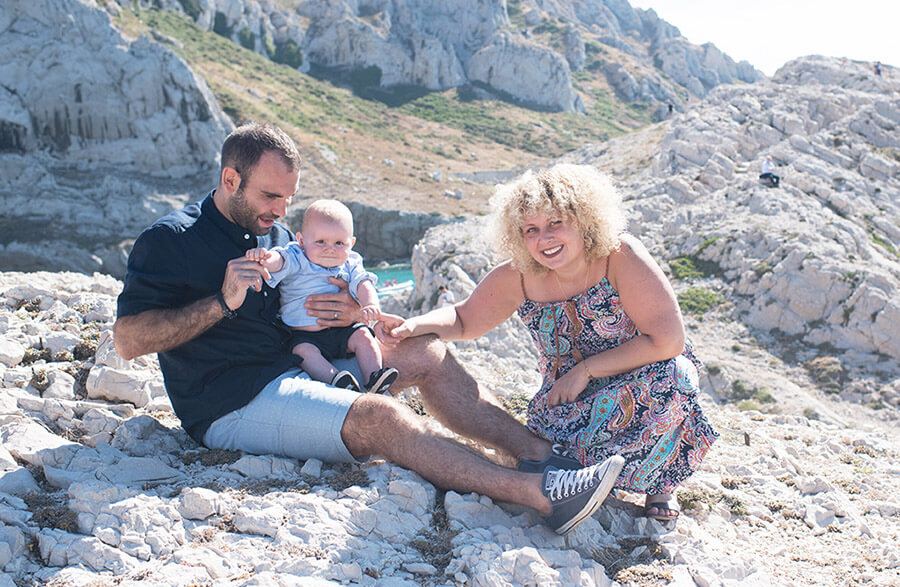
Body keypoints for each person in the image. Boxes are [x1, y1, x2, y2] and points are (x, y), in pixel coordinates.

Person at [113, 122, 624, 535]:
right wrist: (220, 303)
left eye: (289, 199)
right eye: (271, 196)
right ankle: (539, 497)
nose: (281, 212)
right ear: (230, 180)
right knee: (379, 416)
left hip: (296, 366)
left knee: (426, 351)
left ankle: (543, 457)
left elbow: (318, 299)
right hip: (230, 402)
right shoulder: (171, 240)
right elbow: (128, 341)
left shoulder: (281, 236)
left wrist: (353, 314)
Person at [383, 164, 718, 522]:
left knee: (677, 376)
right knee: (547, 447)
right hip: (568, 399)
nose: (544, 239)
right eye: (531, 230)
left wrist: (585, 371)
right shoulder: (519, 276)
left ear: (584, 220)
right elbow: (465, 319)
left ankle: (660, 484)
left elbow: (667, 340)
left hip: (646, 379)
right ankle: (583, 478)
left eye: (556, 223)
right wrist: (413, 325)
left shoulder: (620, 257)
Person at [245, 199, 397, 394]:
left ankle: (374, 377)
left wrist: (370, 304)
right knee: (304, 353)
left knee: (365, 337)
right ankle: (335, 378)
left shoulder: (351, 262)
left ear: (351, 243)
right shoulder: (298, 256)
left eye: (339, 243)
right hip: (304, 335)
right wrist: (265, 259)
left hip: (344, 330)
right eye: (320, 242)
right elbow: (280, 260)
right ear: (301, 241)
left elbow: (363, 282)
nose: (330, 249)